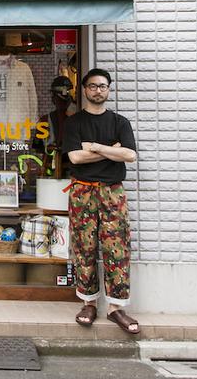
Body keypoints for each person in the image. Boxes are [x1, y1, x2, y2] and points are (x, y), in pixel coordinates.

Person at [62, 68, 140, 335]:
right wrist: (110, 150)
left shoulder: (120, 122)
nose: (98, 90)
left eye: (103, 86)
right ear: (84, 89)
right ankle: (88, 302)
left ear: (109, 89)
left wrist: (93, 147)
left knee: (117, 247)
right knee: (83, 246)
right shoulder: (73, 122)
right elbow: (75, 158)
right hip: (82, 191)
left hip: (112, 191)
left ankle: (116, 307)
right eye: (93, 86)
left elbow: (129, 155)